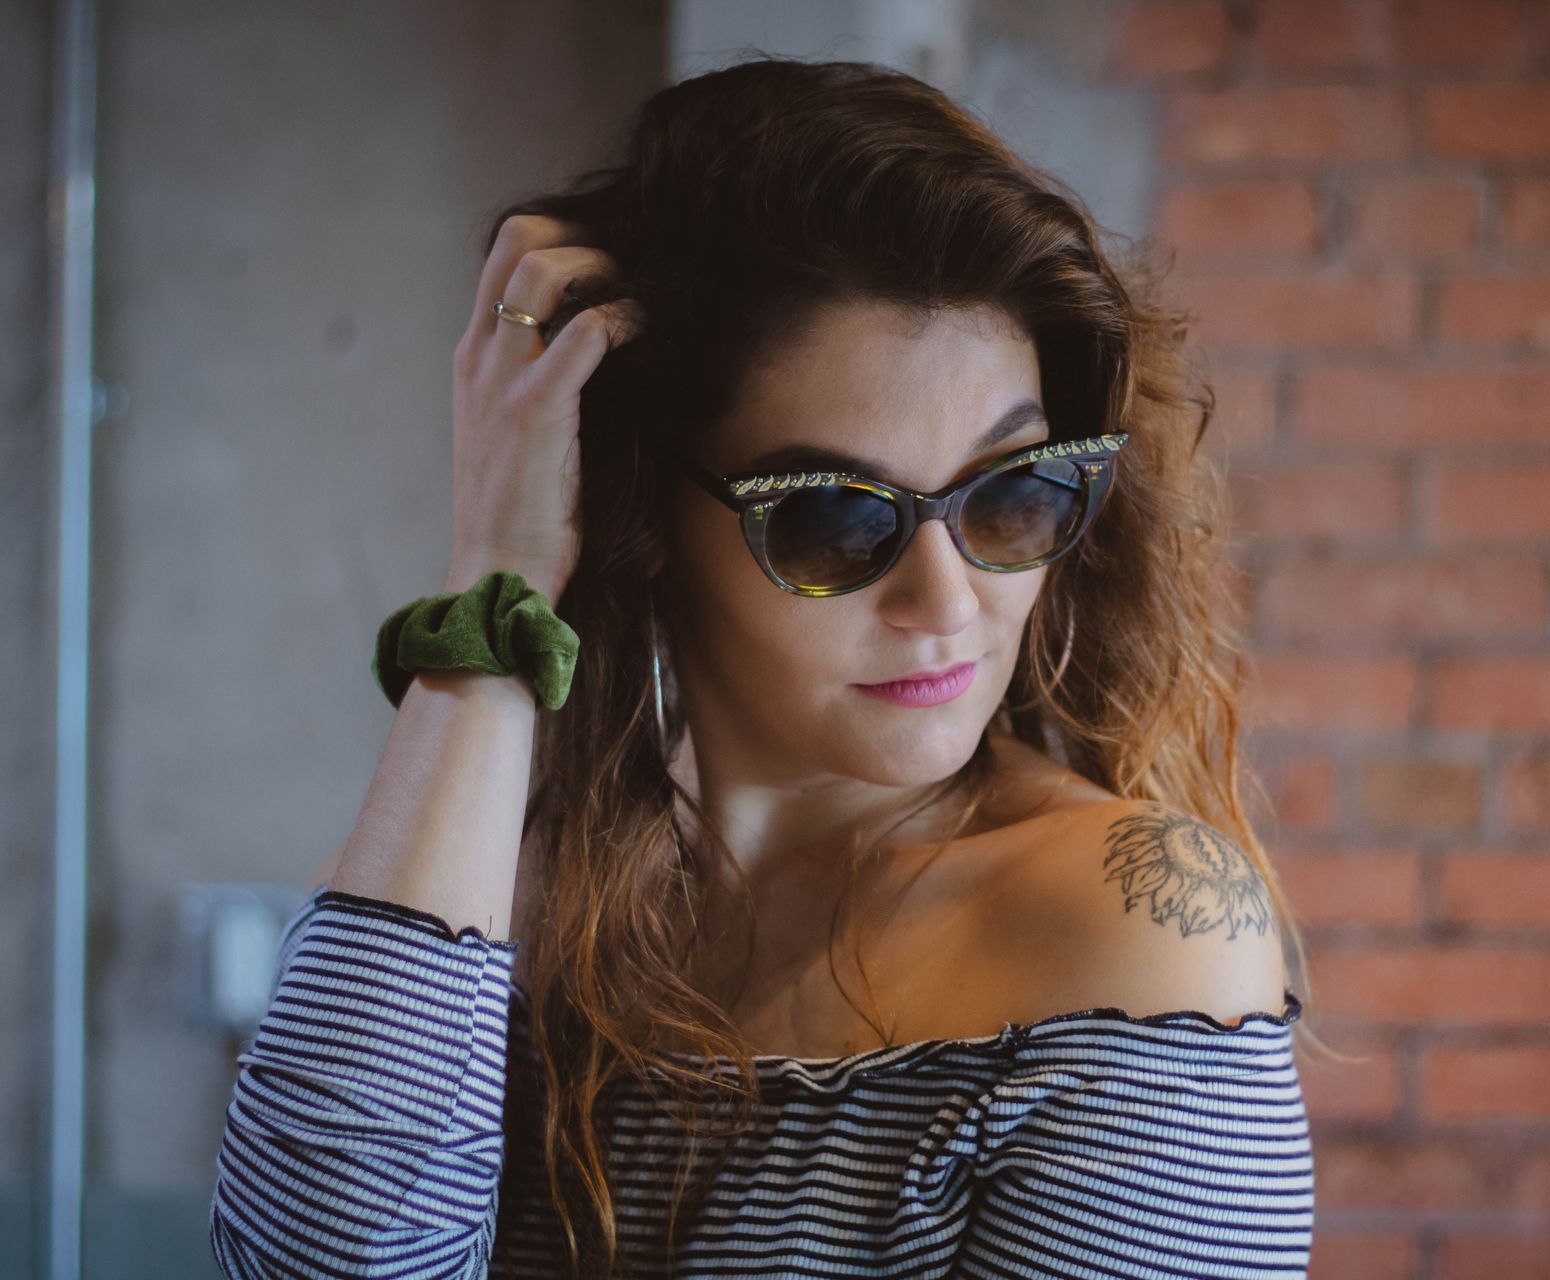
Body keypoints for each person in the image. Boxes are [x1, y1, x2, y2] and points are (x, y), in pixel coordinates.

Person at [208, 55, 1314, 1280]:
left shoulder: (1129, 929)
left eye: (1012, 494)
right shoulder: (490, 889)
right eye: (835, 519)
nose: (949, 601)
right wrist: (500, 574)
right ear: (639, 520)